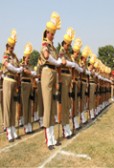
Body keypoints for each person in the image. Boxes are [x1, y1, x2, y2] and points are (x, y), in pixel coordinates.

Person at [40, 12, 65, 150]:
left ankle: (53, 138)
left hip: (53, 73)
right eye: (52, 33)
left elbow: (54, 59)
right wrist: (58, 62)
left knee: (52, 107)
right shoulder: (45, 44)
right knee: (48, 106)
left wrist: (59, 60)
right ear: (48, 32)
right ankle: (48, 140)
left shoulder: (53, 46)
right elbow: (46, 56)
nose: (53, 36)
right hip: (47, 71)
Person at [2, 29, 23, 142]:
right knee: (7, 106)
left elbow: (19, 68)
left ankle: (13, 128)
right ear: (7, 46)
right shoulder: (5, 54)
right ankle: (8, 131)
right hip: (7, 80)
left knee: (13, 107)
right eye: (11, 46)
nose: (12, 48)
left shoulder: (14, 56)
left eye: (13, 46)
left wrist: (18, 80)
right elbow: (7, 65)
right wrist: (17, 69)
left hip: (14, 81)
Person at [59, 27, 76, 139]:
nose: (69, 46)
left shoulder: (68, 54)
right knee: (64, 104)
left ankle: (67, 126)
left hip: (68, 78)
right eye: (68, 45)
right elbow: (63, 63)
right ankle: (65, 128)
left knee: (68, 104)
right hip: (63, 77)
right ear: (64, 43)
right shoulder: (61, 51)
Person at [20, 43, 36, 134]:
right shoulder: (22, 65)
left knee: (30, 105)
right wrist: (32, 73)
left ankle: (29, 123)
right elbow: (26, 72)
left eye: (29, 57)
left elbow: (32, 73)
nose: (28, 58)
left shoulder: (30, 66)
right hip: (24, 85)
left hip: (29, 85)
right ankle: (26, 125)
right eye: (27, 57)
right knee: (25, 106)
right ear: (24, 57)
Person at [70, 38, 83, 130]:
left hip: (76, 82)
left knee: (76, 104)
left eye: (78, 53)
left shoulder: (76, 62)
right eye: (76, 53)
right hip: (70, 82)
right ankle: (72, 123)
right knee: (71, 104)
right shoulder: (70, 60)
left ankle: (76, 122)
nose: (77, 54)